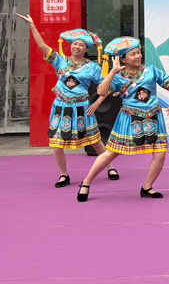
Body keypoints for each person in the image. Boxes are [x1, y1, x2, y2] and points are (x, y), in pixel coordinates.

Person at [16, 15, 118, 186]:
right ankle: (64, 174)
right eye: (75, 43)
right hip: (61, 107)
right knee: (56, 144)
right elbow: (41, 46)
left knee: (95, 141)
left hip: (82, 107)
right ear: (70, 46)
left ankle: (110, 167)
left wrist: (97, 103)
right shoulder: (60, 60)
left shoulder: (92, 67)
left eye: (81, 45)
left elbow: (105, 87)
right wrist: (33, 26)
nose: (77, 46)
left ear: (87, 49)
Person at [77, 37, 169, 202]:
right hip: (128, 118)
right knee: (111, 153)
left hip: (153, 117)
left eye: (139, 52)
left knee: (160, 154)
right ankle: (86, 182)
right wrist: (112, 72)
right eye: (133, 54)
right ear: (123, 59)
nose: (138, 56)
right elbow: (102, 91)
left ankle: (147, 187)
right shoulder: (117, 78)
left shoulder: (151, 71)